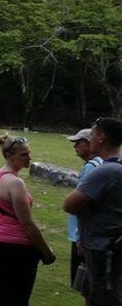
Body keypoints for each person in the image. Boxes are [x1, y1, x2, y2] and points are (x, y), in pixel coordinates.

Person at [0, 134, 56, 306]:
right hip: (17, 247)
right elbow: (27, 224)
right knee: (18, 298)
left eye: (29, 153)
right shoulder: (15, 183)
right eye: (23, 155)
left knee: (5, 295)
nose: (29, 158)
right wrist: (47, 252)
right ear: (8, 156)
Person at [64, 118, 122, 306]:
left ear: (101, 138)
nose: (89, 139)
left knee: (100, 298)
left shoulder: (105, 172)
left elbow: (69, 205)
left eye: (92, 135)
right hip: (112, 247)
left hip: (102, 249)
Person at [66, 128, 104, 304]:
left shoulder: (90, 168)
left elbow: (82, 205)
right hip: (96, 233)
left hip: (83, 234)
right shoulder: (103, 164)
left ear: (90, 143)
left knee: (87, 284)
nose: (75, 147)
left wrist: (80, 237)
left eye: (78, 143)